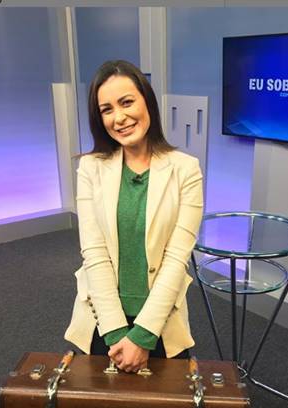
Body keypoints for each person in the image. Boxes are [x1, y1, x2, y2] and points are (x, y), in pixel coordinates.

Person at [64, 60, 203, 373]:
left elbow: (176, 259)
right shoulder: (90, 168)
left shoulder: (186, 170)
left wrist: (141, 337)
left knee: (166, 403)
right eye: (107, 109)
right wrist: (116, 335)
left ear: (147, 101)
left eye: (127, 102)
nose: (119, 118)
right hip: (102, 319)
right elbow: (94, 253)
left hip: (160, 322)